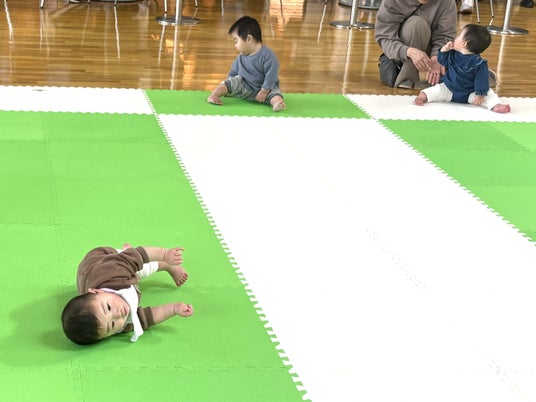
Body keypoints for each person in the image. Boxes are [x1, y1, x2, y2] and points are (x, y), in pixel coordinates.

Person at [61, 244, 193, 345]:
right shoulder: (120, 325)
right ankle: (127, 252)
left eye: (108, 307)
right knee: (135, 276)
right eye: (112, 324)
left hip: (101, 260)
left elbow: (140, 254)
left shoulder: (114, 272)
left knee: (141, 267)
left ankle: (166, 266)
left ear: (97, 291)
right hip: (95, 281)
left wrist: (165, 254)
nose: (118, 314)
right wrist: (173, 309)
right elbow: (147, 318)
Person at [414, 24, 510, 113]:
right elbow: (441, 60)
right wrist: (444, 49)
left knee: (489, 94)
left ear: (464, 43)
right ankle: (422, 97)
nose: (455, 38)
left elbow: (481, 79)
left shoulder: (479, 63)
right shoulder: (452, 54)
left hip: (471, 93)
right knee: (435, 90)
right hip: (449, 89)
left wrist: (480, 94)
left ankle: (496, 105)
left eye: (458, 36)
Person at [207, 16, 286, 112]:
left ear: (249, 39)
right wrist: (228, 86)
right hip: (245, 87)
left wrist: (264, 90)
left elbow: (272, 74)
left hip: (264, 89)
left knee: (275, 93)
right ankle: (214, 95)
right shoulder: (241, 57)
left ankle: (277, 103)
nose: (235, 45)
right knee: (230, 82)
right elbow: (233, 72)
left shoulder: (267, 55)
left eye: (236, 41)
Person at [375, 0, 457, 89]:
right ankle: (407, 76)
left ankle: (434, 76)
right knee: (417, 24)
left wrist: (437, 56)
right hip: (402, 49)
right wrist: (408, 51)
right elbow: (385, 37)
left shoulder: (447, 2)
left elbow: (445, 36)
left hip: (432, 47)